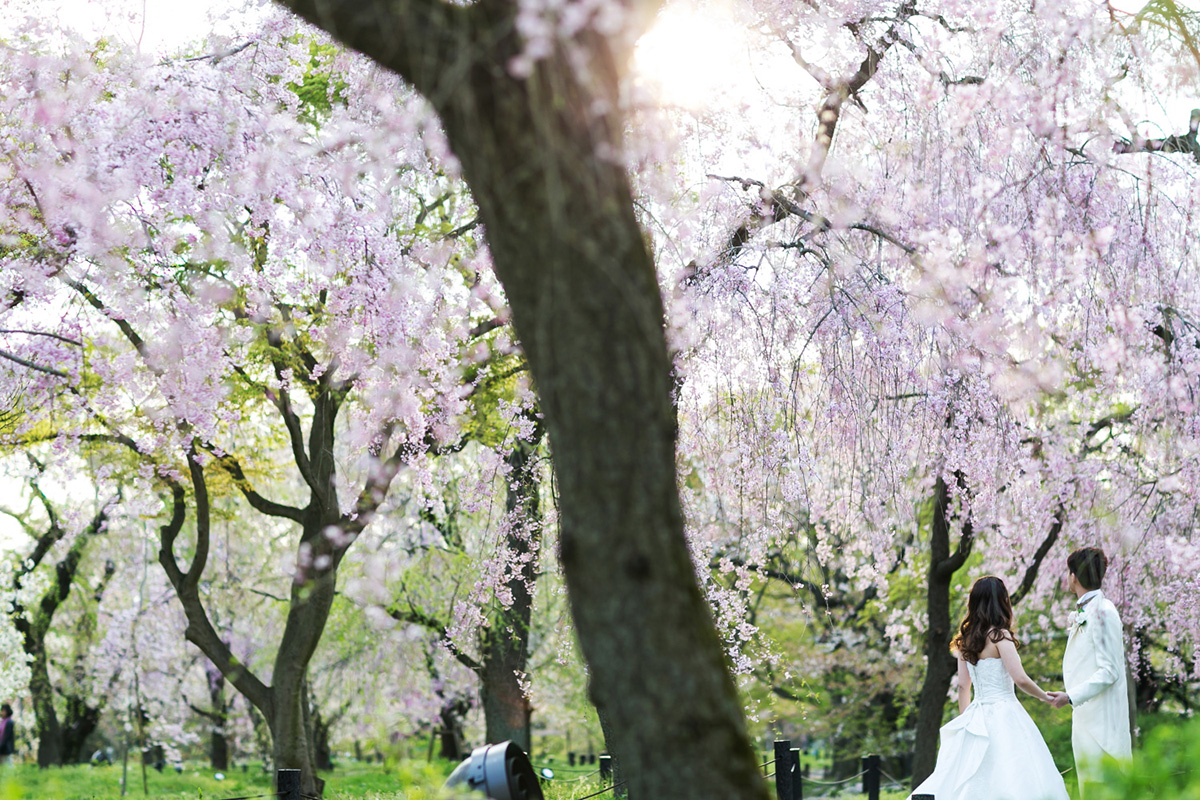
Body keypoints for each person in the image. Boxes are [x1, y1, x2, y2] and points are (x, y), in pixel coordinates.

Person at [908, 576, 1068, 800]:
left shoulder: (965, 641)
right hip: (1006, 711)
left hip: (977, 713)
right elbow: (1020, 679)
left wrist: (967, 721)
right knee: (1015, 772)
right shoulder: (1000, 636)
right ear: (1001, 601)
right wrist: (1044, 697)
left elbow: (963, 686)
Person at [1047, 547, 1131, 794]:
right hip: (1084, 719)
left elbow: (1109, 671)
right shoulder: (1088, 610)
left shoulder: (1104, 611)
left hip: (1103, 726)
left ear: (1074, 576)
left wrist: (1070, 696)